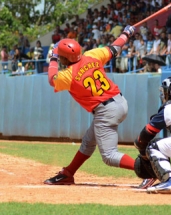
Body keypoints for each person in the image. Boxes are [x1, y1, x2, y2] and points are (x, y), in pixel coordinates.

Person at [44, 25, 137, 185]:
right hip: (119, 101)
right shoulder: (92, 55)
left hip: (106, 110)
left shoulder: (68, 75)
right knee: (88, 141)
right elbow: (115, 48)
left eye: (61, 56)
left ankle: (148, 169)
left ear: (65, 59)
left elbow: (52, 79)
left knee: (109, 155)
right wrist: (125, 34)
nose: (59, 58)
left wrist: (53, 58)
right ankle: (68, 173)